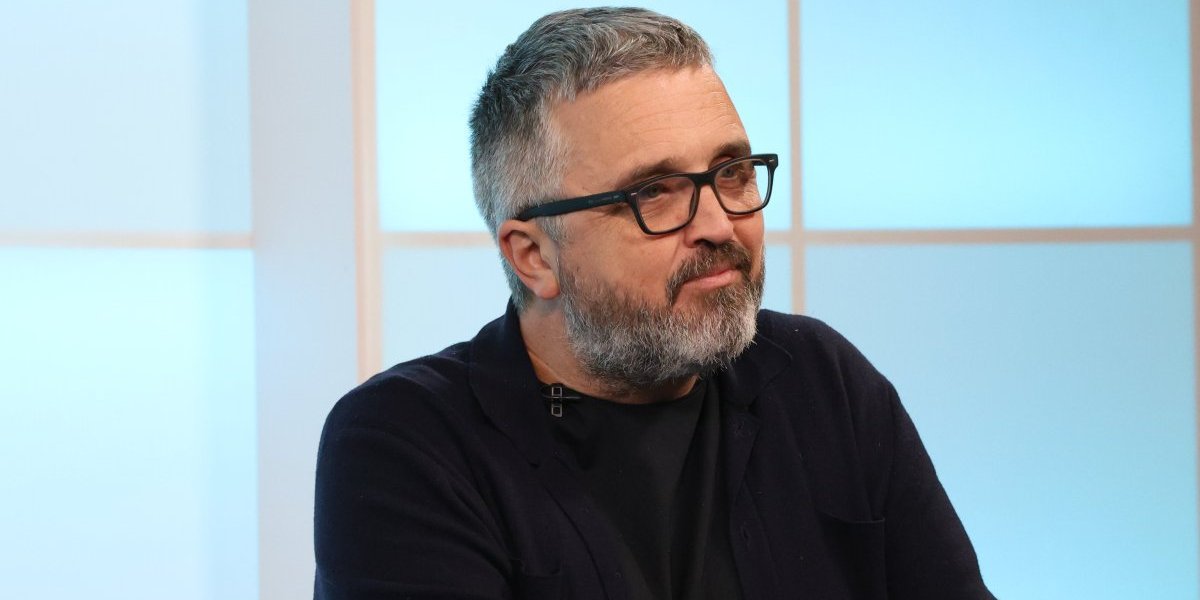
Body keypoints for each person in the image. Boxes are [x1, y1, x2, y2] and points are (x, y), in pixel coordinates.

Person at [315, 7, 993, 599]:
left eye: (732, 173)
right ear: (534, 256)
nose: (720, 225)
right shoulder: (407, 443)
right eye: (654, 193)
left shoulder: (818, 381)